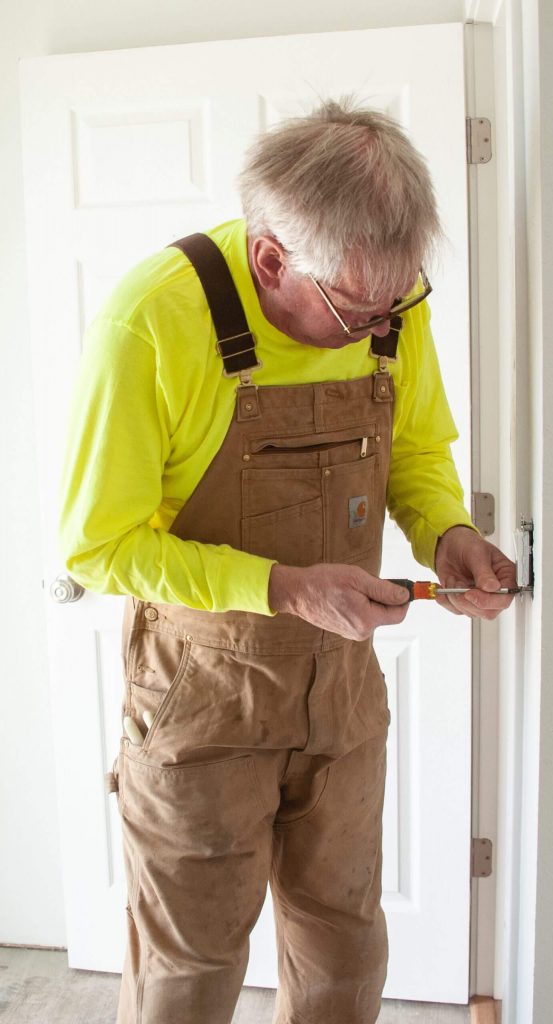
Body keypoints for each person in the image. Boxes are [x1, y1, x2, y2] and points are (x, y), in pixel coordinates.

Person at [59, 99, 516, 1024]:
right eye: (353, 307)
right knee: (190, 966)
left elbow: (418, 454)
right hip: (200, 698)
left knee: (343, 941)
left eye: (397, 304)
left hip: (340, 693)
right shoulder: (149, 323)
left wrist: (445, 533)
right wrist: (280, 587)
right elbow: (98, 546)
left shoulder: (382, 302)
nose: (377, 327)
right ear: (272, 257)